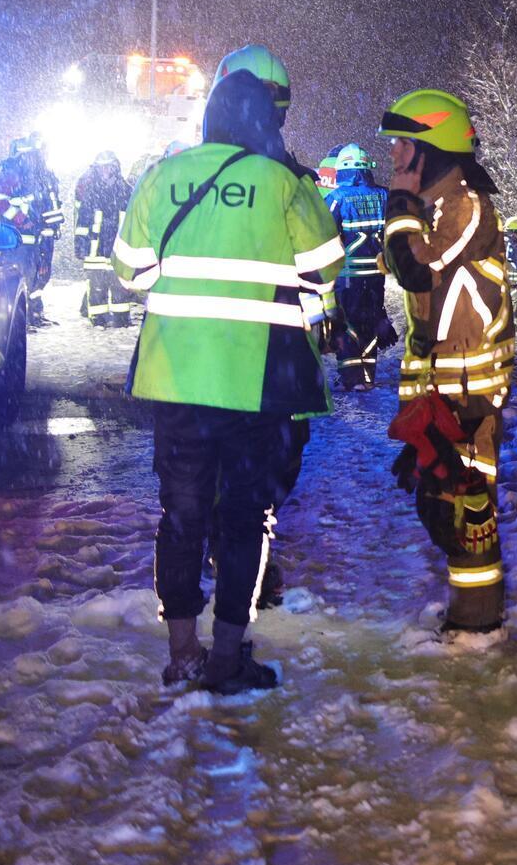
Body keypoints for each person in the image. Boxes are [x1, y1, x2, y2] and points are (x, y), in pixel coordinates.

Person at [113, 70, 344, 693]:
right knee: (245, 517)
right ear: (265, 124)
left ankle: (181, 652)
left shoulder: (165, 176)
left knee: (182, 515)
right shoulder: (280, 184)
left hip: (178, 380)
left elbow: (131, 271)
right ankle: (227, 655)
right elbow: (327, 269)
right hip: (255, 382)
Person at [379, 89, 512, 634]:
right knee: (440, 503)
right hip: (444, 390)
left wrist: (400, 201)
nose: (393, 156)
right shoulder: (438, 207)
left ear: (430, 149)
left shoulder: (465, 206)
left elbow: (414, 268)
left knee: (467, 509)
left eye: (403, 145)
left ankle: (477, 627)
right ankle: (469, 615)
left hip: (469, 394)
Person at [211, 43, 337, 609]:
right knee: (264, 470)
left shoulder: (181, 176)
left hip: (202, 356)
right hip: (269, 357)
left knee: (212, 472)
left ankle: (221, 563)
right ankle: (246, 572)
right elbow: (324, 262)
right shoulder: (288, 180)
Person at [325, 143, 392, 391]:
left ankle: (351, 378)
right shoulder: (385, 195)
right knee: (371, 321)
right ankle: (367, 376)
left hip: (348, 275)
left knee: (347, 323)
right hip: (376, 274)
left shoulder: (336, 198)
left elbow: (323, 234)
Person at [0, 135, 65, 325]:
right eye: (31, 155)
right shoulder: (11, 174)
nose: (35, 158)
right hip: (17, 240)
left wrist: (50, 227)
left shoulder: (39, 175)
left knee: (38, 275)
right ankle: (19, 319)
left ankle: (34, 313)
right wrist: (21, 220)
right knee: (21, 276)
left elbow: (46, 204)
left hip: (36, 237)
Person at [75, 150, 133, 327]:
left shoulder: (126, 191)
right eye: (101, 168)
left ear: (115, 168)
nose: (104, 171)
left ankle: (121, 320)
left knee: (120, 289)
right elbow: (83, 221)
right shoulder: (92, 192)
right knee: (96, 289)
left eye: (108, 167)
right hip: (96, 251)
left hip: (119, 250)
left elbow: (134, 221)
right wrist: (80, 245)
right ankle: (98, 320)